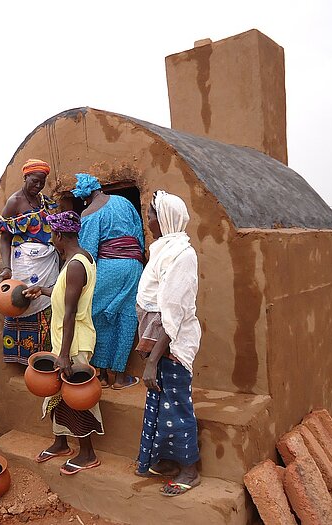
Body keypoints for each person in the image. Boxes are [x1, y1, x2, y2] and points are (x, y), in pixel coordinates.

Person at [23, 211, 103, 475]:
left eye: (52, 235)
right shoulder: (73, 261)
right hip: (65, 339)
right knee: (57, 394)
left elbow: (70, 313)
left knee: (75, 395)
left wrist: (65, 354)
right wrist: (43, 290)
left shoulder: (77, 265)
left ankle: (88, 453)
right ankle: (60, 442)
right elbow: (64, 294)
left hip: (75, 341)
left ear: (59, 235)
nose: (52, 240)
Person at [134, 190, 202, 496]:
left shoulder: (182, 254)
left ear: (164, 218)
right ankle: (167, 461)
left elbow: (173, 312)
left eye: (151, 215)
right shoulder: (163, 250)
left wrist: (150, 362)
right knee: (161, 403)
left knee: (177, 406)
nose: (148, 220)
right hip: (162, 344)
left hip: (174, 344)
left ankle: (190, 469)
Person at [73, 173, 145, 389]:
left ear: (85, 196)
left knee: (97, 316)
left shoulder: (89, 214)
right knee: (126, 318)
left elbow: (89, 252)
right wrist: (137, 258)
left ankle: (102, 375)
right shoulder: (123, 202)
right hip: (133, 267)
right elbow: (139, 234)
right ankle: (121, 378)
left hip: (106, 268)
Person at [0, 158, 60, 365]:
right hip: (24, 264)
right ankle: (23, 360)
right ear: (25, 177)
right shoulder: (14, 202)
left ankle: (44, 359)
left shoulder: (44, 201)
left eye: (42, 182)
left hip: (47, 263)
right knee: (20, 302)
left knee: (47, 304)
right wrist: (7, 267)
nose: (38, 186)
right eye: (35, 181)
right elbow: (5, 237)